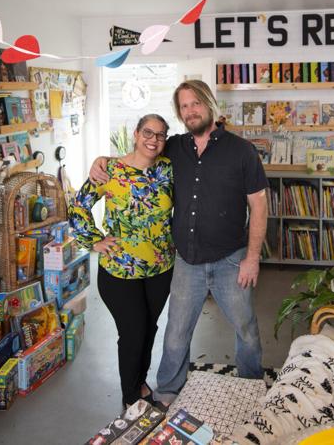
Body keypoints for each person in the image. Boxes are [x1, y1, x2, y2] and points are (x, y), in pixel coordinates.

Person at [91, 80, 268, 405]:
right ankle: (169, 390)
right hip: (186, 260)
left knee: (246, 329)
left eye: (196, 103)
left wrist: (253, 257)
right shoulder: (173, 147)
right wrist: (103, 160)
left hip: (231, 259)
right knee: (175, 334)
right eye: (184, 106)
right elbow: (139, 155)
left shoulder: (242, 151)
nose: (190, 111)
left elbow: (258, 203)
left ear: (210, 104)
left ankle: (251, 385)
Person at [72, 114, 175, 408]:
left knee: (149, 327)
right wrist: (95, 240)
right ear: (135, 133)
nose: (153, 139)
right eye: (148, 132)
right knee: (133, 331)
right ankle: (131, 397)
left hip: (160, 267)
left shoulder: (168, 169)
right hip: (119, 270)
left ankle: (140, 382)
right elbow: (79, 206)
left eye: (160, 135)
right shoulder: (111, 171)